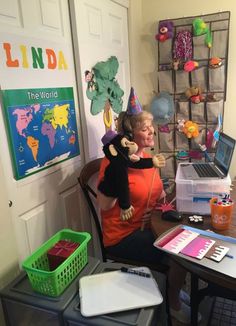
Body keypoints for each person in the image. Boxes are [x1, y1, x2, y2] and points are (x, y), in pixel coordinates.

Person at [97, 90, 201, 324]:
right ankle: (172, 301)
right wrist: (118, 167)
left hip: (147, 226)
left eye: (150, 127)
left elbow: (159, 194)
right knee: (179, 251)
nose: (152, 131)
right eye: (145, 128)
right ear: (129, 136)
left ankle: (172, 288)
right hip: (123, 236)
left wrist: (163, 205)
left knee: (187, 233)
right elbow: (104, 205)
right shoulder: (113, 164)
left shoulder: (146, 159)